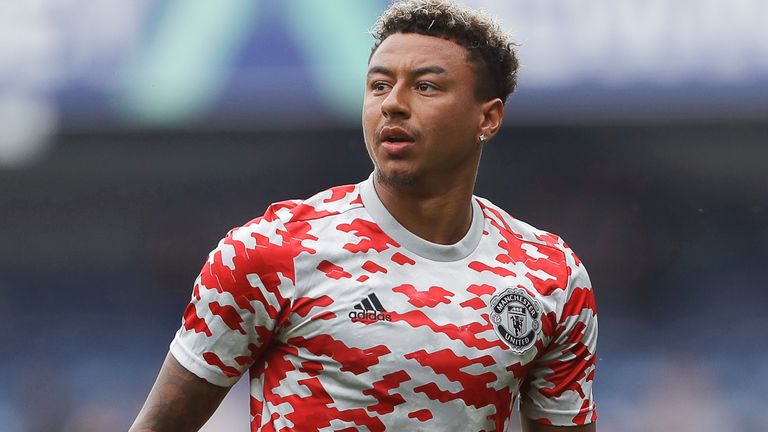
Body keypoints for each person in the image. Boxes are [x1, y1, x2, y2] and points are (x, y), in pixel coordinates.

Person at [129, 1, 598, 431]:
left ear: (488, 118)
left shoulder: (548, 275)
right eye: (378, 85)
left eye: (426, 86)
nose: (392, 103)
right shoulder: (271, 252)